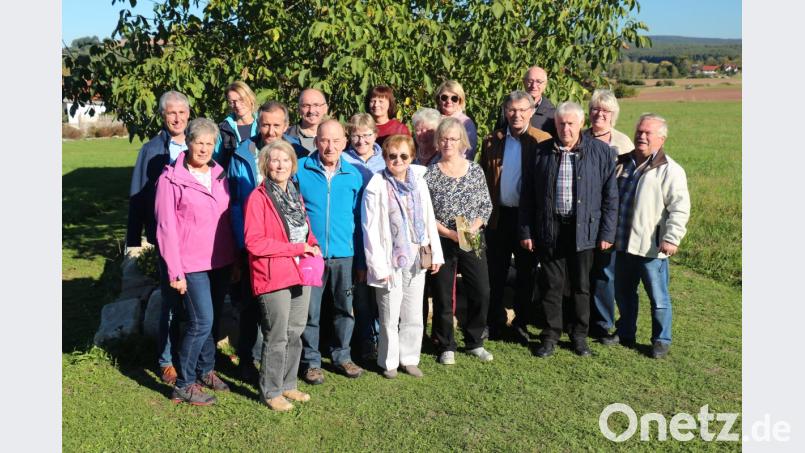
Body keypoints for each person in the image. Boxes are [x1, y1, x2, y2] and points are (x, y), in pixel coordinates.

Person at [518, 102, 617, 358]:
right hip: (550, 229)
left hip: (584, 231)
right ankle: (550, 335)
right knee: (551, 284)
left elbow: (610, 197)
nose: (566, 128)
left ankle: (579, 336)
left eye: (571, 123)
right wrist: (527, 231)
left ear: (581, 124)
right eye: (561, 123)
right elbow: (527, 195)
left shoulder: (601, 152)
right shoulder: (541, 152)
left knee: (581, 286)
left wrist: (607, 233)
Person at [154, 118, 237, 405]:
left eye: (209, 143)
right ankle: (184, 383)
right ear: (187, 142)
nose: (203, 148)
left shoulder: (220, 174)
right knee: (201, 321)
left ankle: (207, 370)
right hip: (190, 264)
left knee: (210, 323)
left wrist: (235, 258)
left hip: (220, 261)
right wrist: (175, 271)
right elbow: (165, 228)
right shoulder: (170, 178)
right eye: (198, 142)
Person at [228, 100, 306, 383]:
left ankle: (283, 373)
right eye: (265, 124)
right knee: (251, 307)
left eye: (276, 125)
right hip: (256, 243)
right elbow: (235, 204)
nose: (270, 130)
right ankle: (248, 361)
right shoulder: (242, 154)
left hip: (289, 249)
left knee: (288, 318)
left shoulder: (295, 152)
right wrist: (240, 246)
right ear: (257, 124)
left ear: (286, 126)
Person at [243, 140, 322, 411]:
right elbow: (254, 242)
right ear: (266, 165)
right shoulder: (259, 197)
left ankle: (288, 385)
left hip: (301, 270)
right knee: (276, 335)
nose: (280, 165)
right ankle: (271, 389)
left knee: (295, 331)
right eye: (274, 160)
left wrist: (313, 245)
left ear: (293, 164)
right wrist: (296, 248)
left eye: (285, 160)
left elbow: (304, 228)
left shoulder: (293, 193)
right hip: (273, 275)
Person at [362, 135, 444, 378]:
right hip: (389, 257)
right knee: (389, 312)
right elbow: (370, 229)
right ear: (384, 157)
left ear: (412, 157)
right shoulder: (376, 185)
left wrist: (435, 253)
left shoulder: (418, 181)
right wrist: (377, 265)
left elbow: (429, 218)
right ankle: (388, 362)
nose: (398, 160)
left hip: (417, 255)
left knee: (413, 311)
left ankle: (409, 358)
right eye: (392, 156)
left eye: (403, 156)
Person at [126, 90, 190, 386]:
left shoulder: (202, 143)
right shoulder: (151, 149)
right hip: (168, 239)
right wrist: (134, 236)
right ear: (163, 117)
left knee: (197, 301)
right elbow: (138, 195)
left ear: (189, 114)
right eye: (171, 113)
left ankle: (194, 355)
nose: (177, 118)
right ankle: (167, 360)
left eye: (182, 112)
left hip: (198, 238)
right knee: (170, 300)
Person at [614, 114, 690, 359]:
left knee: (658, 298)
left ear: (662, 138)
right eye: (639, 131)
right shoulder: (622, 163)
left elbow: (680, 207)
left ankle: (661, 339)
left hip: (651, 248)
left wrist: (672, 237)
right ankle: (625, 332)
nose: (642, 136)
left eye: (648, 133)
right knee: (624, 294)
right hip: (623, 243)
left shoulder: (670, 170)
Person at [479, 90, 551, 344]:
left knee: (526, 273)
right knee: (494, 273)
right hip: (498, 217)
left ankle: (521, 323)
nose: (517, 115)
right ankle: (493, 321)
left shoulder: (543, 141)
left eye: (522, 110)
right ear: (505, 112)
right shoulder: (492, 142)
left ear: (531, 112)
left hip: (527, 220)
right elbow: (482, 180)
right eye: (511, 110)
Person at [296, 119, 365, 384]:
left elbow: (359, 220)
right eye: (324, 140)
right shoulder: (300, 170)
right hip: (311, 254)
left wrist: (359, 258)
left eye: (336, 141)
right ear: (316, 141)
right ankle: (311, 362)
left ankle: (342, 356)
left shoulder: (353, 175)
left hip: (344, 255)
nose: (330, 146)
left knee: (343, 309)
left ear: (345, 143)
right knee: (310, 312)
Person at [424, 117, 494, 365]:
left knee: (481, 289)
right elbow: (426, 214)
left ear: (462, 141)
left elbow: (485, 204)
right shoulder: (430, 174)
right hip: (442, 237)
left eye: (453, 138)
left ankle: (475, 340)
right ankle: (446, 345)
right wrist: (450, 234)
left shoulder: (474, 170)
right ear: (437, 141)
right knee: (443, 292)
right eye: (443, 138)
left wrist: (471, 229)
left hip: (472, 235)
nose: (448, 143)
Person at [582, 89, 635, 345]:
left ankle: (603, 321)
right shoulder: (579, 138)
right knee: (581, 269)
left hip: (607, 215)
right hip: (581, 215)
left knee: (604, 271)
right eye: (595, 109)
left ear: (613, 115)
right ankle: (580, 316)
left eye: (605, 111)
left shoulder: (624, 145)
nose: (599, 114)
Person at [343, 113, 385, 362]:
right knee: (360, 293)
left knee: (380, 290)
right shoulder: (344, 159)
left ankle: (382, 338)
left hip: (380, 233)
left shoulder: (385, 159)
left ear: (375, 135)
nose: (361, 140)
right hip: (354, 232)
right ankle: (365, 343)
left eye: (366, 134)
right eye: (356, 135)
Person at [214, 81, 259, 170]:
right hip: (233, 181)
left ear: (250, 98)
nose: (237, 105)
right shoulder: (223, 129)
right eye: (232, 102)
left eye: (241, 100)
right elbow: (216, 162)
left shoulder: (263, 124)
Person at [434, 80, 478, 160]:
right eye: (444, 97)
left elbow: (466, 154)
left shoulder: (466, 123)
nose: (448, 101)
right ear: (438, 100)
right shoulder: (431, 119)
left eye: (454, 98)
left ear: (460, 101)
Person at [286, 88, 329, 155]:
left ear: (325, 108)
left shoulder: (337, 136)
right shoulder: (286, 137)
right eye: (306, 106)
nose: (311, 110)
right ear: (299, 109)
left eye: (316, 105)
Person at [522, 66, 556, 135]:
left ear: (545, 84)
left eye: (538, 82)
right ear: (524, 82)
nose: (534, 85)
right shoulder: (509, 108)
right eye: (530, 81)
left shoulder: (553, 114)